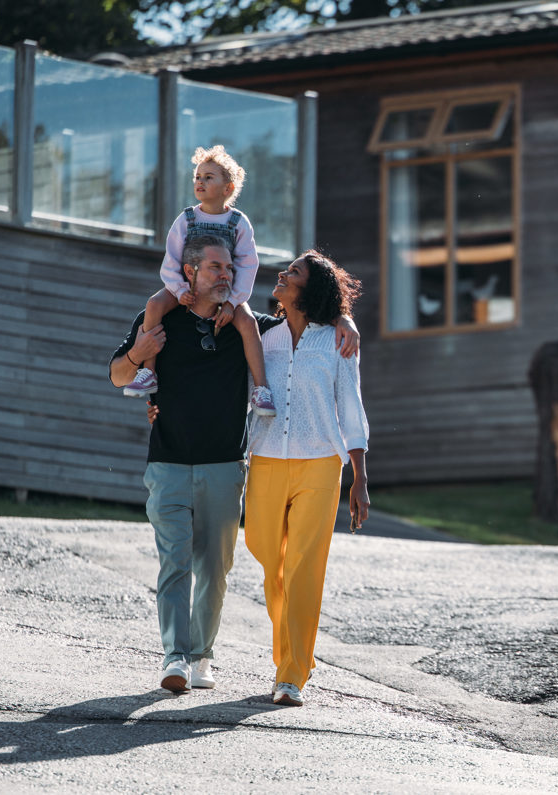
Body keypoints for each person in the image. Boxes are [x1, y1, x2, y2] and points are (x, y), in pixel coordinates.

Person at [110, 235, 360, 693]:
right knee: (178, 562)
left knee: (215, 566)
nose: (227, 276)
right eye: (216, 268)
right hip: (168, 461)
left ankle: (220, 658)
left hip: (227, 465)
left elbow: (310, 318)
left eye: (230, 268)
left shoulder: (253, 327)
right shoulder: (161, 317)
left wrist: (344, 315)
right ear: (190, 272)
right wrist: (137, 357)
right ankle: (175, 655)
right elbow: (118, 376)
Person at [243, 250, 370, 707]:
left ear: (310, 287)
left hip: (320, 463)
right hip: (267, 458)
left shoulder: (337, 341)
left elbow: (351, 406)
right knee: (264, 553)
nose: (283, 273)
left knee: (304, 567)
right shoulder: (263, 334)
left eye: (293, 272)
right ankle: (292, 657)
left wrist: (359, 475)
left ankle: (292, 672)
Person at [122, 145, 277, 418]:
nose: (200, 182)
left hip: (224, 292)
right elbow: (171, 261)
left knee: (248, 322)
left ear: (228, 188)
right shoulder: (186, 218)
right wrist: (180, 289)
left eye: (208, 177)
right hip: (186, 289)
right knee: (154, 304)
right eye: (197, 177)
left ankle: (261, 389)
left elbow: (247, 265)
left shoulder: (239, 223)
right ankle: (148, 371)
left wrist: (232, 302)